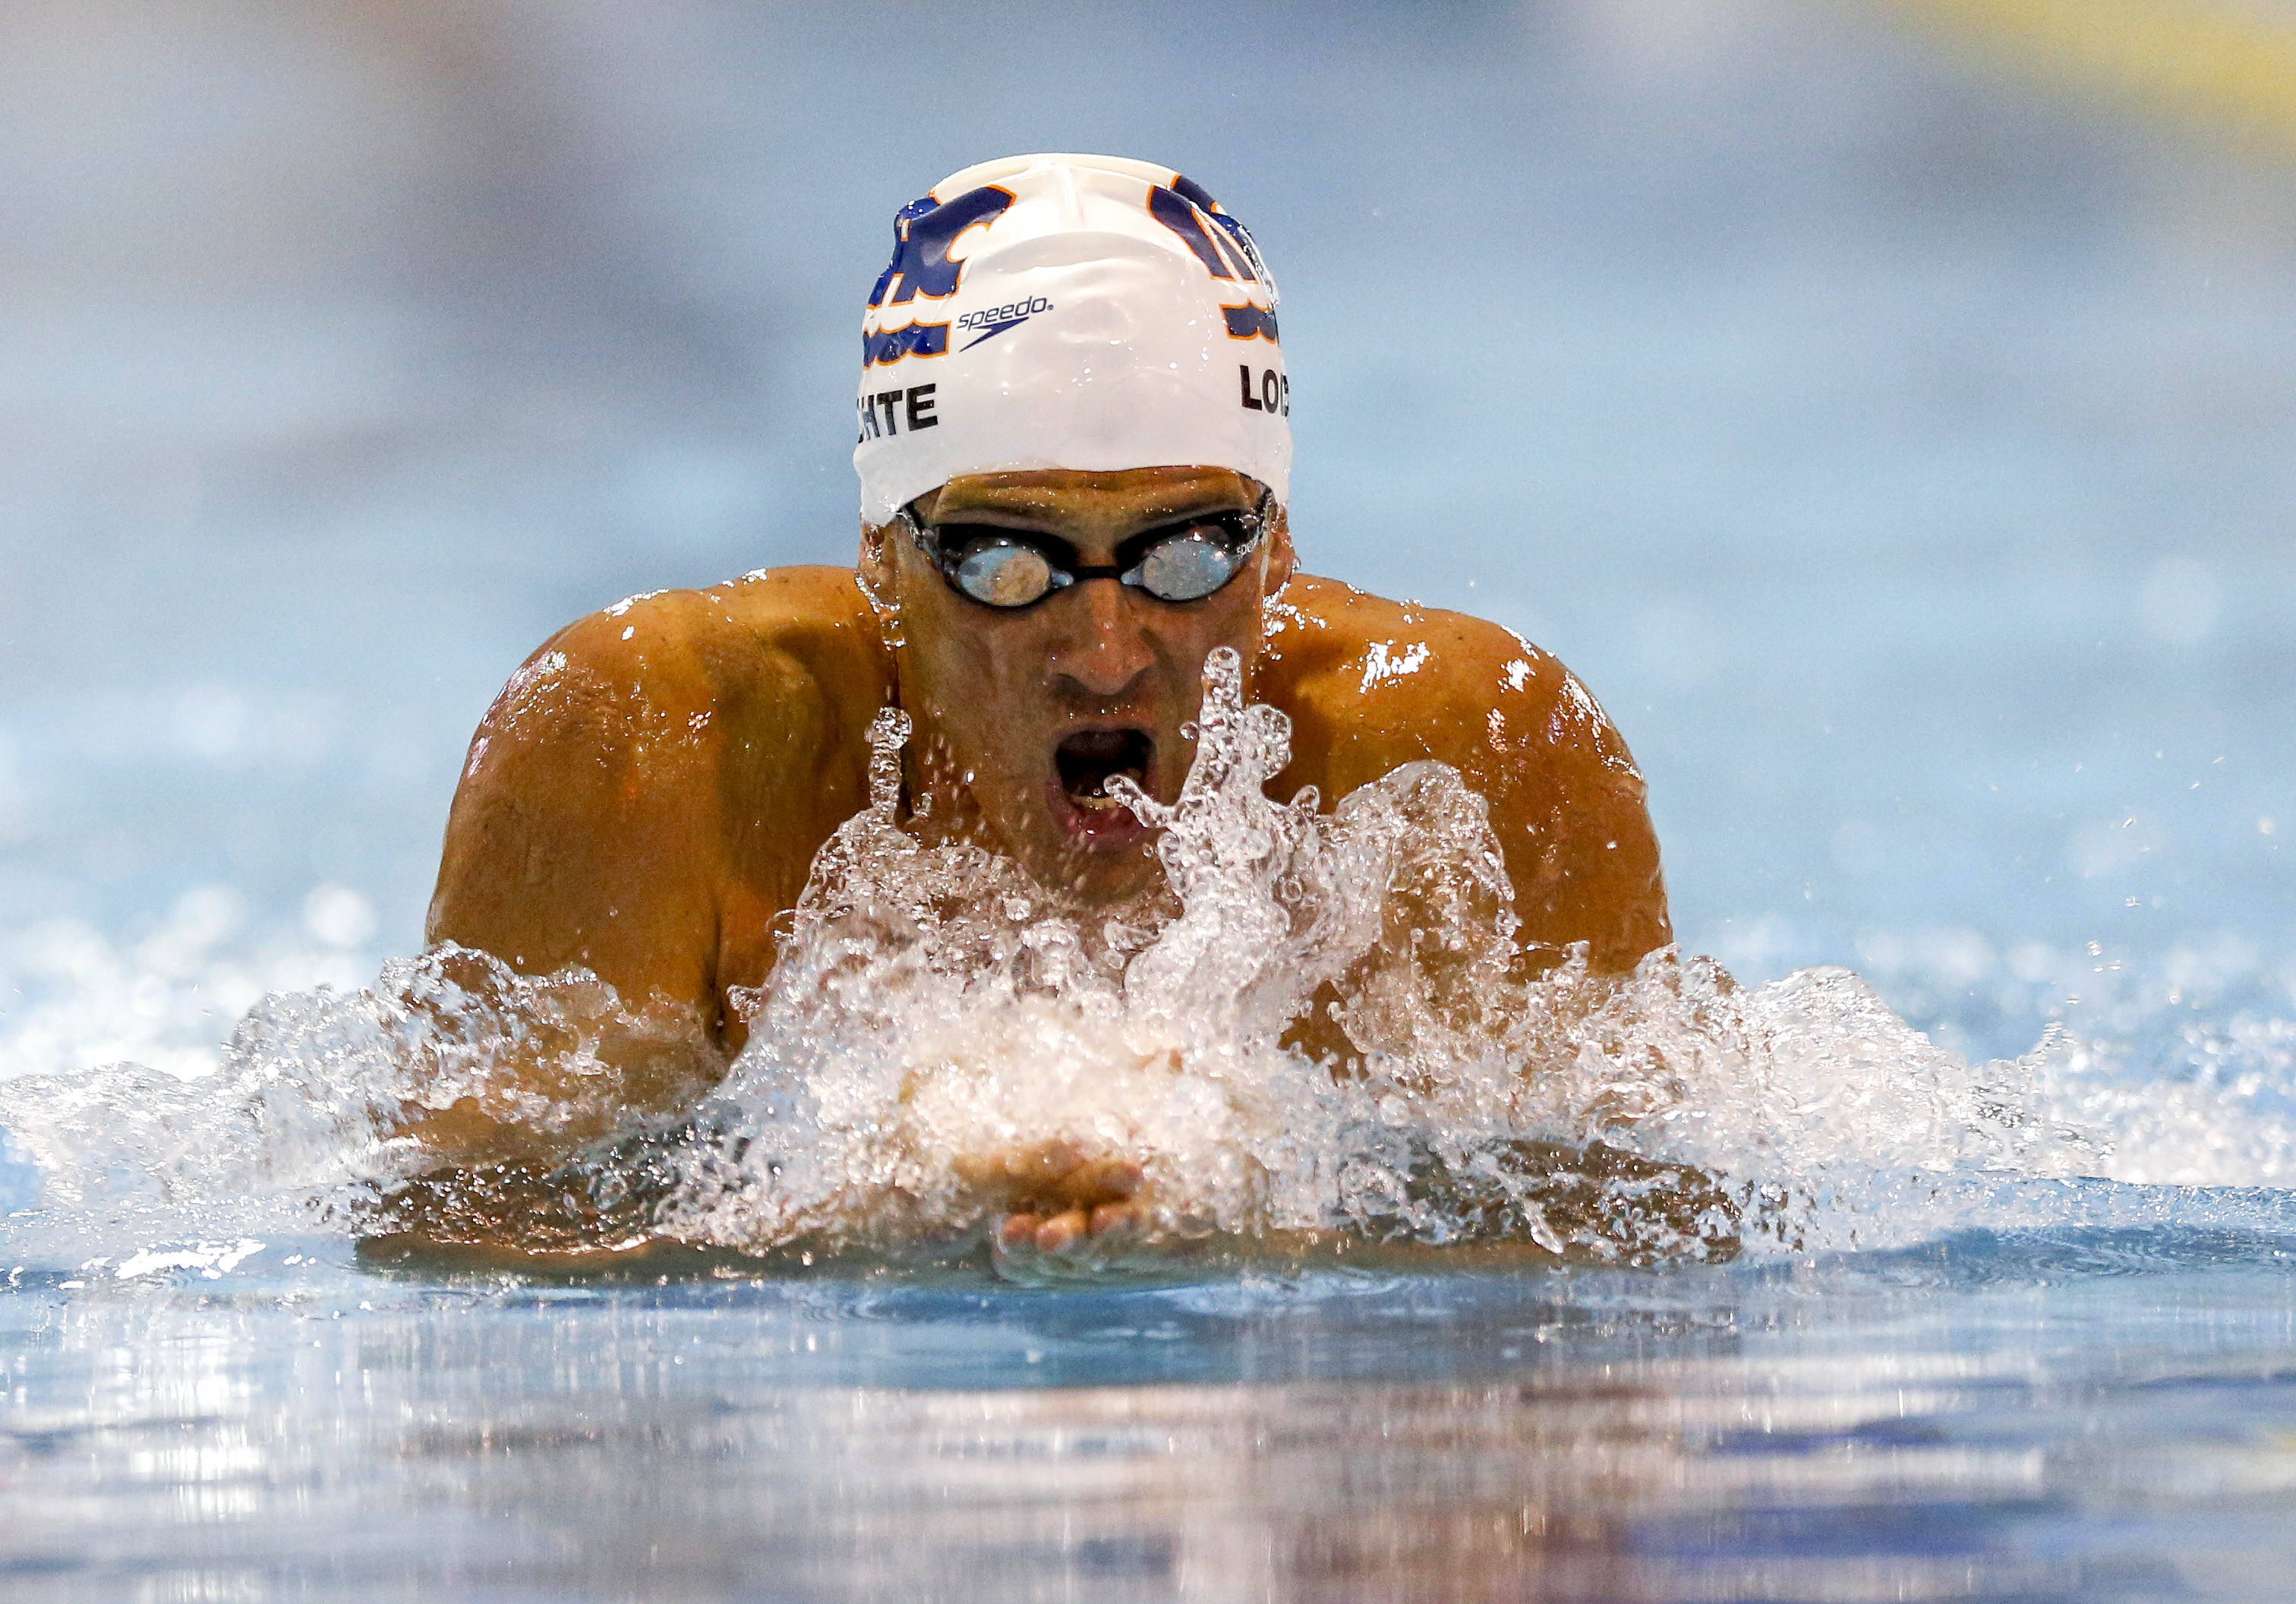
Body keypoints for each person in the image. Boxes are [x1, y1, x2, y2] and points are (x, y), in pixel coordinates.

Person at [418, 153, 1670, 1252]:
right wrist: (875, 1199)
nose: (1107, 649)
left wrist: (1256, 1206)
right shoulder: (654, 742)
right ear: (883, 554)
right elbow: (451, 1236)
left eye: (1187, 552)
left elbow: (1651, 1242)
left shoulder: (1475, 754)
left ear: (1278, 544)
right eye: (1006, 560)